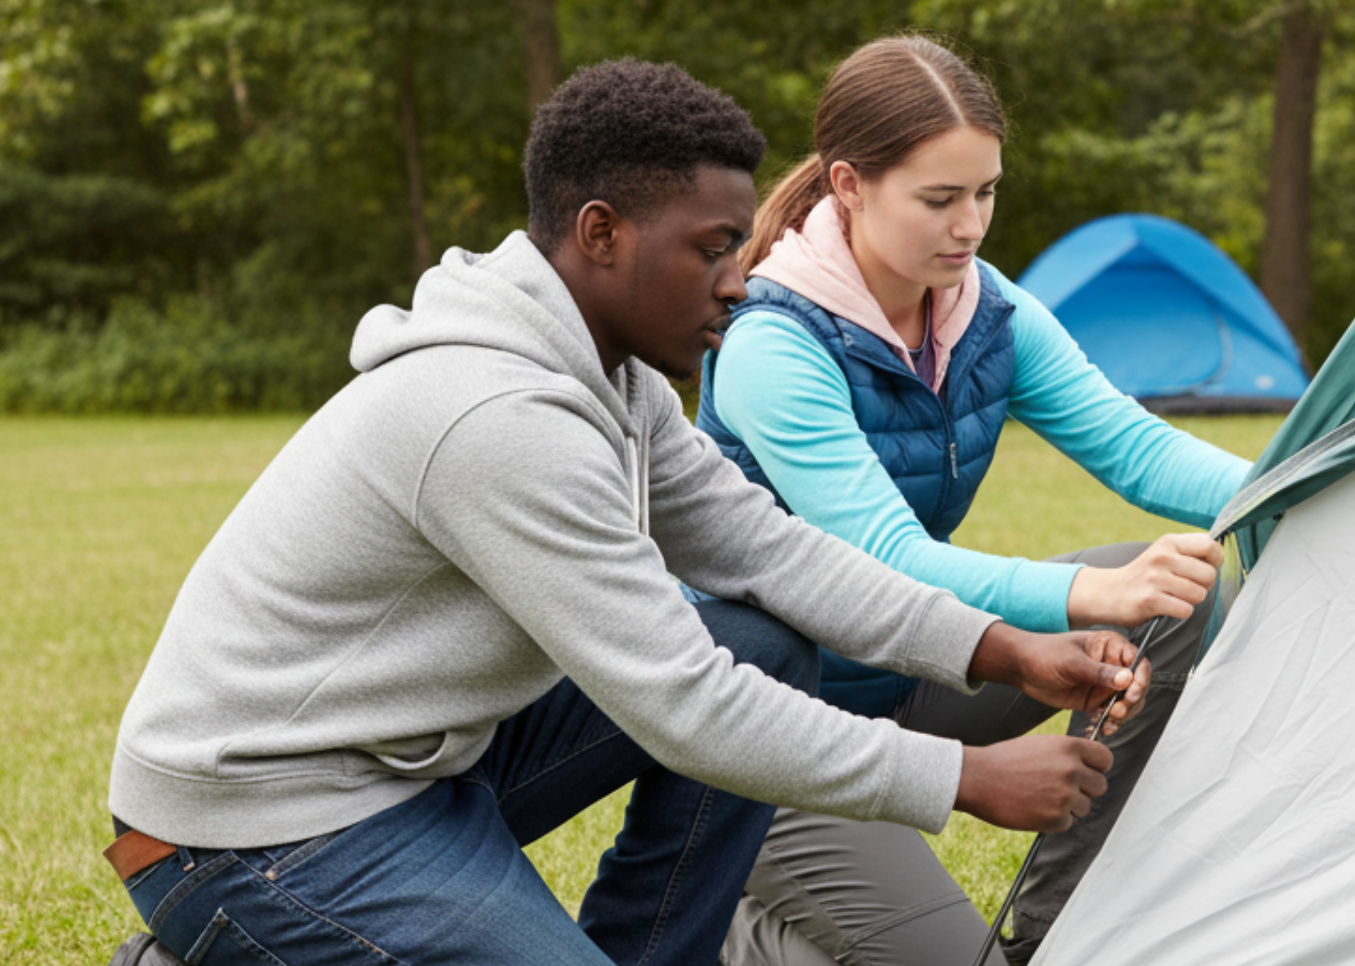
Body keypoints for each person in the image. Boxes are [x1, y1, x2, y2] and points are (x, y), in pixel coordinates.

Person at [101, 59, 1159, 966]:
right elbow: (685, 704)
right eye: (711, 247)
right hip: (256, 828)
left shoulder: (618, 383)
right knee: (723, 669)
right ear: (601, 234)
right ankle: (224, 937)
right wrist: (964, 776)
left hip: (416, 770)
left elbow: (769, 551)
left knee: (764, 634)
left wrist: (1001, 649)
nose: (739, 283)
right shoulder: (496, 417)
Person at [693, 36, 1253, 966]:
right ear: (849, 185)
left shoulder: (984, 311)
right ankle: (729, 932)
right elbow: (885, 560)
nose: (970, 226)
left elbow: (1132, 445)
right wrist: (1085, 599)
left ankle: (1049, 932)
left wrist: (1302, 483)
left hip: (919, 674)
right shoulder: (772, 346)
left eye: (985, 192)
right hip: (779, 729)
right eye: (940, 199)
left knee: (1178, 600)